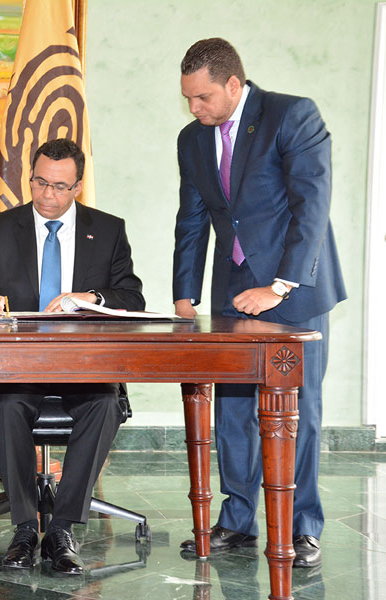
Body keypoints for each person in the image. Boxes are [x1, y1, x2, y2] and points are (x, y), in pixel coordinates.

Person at [174, 38, 346, 568]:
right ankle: (238, 519)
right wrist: (185, 294)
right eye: (187, 98)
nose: (193, 108)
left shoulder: (292, 115)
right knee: (231, 412)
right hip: (232, 292)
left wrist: (279, 285)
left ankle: (302, 526)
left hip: (295, 289)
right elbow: (193, 218)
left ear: (233, 84)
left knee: (299, 412)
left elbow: (311, 206)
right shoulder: (193, 139)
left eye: (202, 97)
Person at [0, 139, 145, 575]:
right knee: (6, 405)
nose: (47, 195)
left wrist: (91, 297)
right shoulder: (0, 228)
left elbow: (132, 297)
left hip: (83, 365)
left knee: (104, 404)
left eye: (59, 186)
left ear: (77, 186)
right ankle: (23, 528)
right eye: (39, 183)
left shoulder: (107, 230)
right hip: (19, 366)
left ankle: (61, 528)